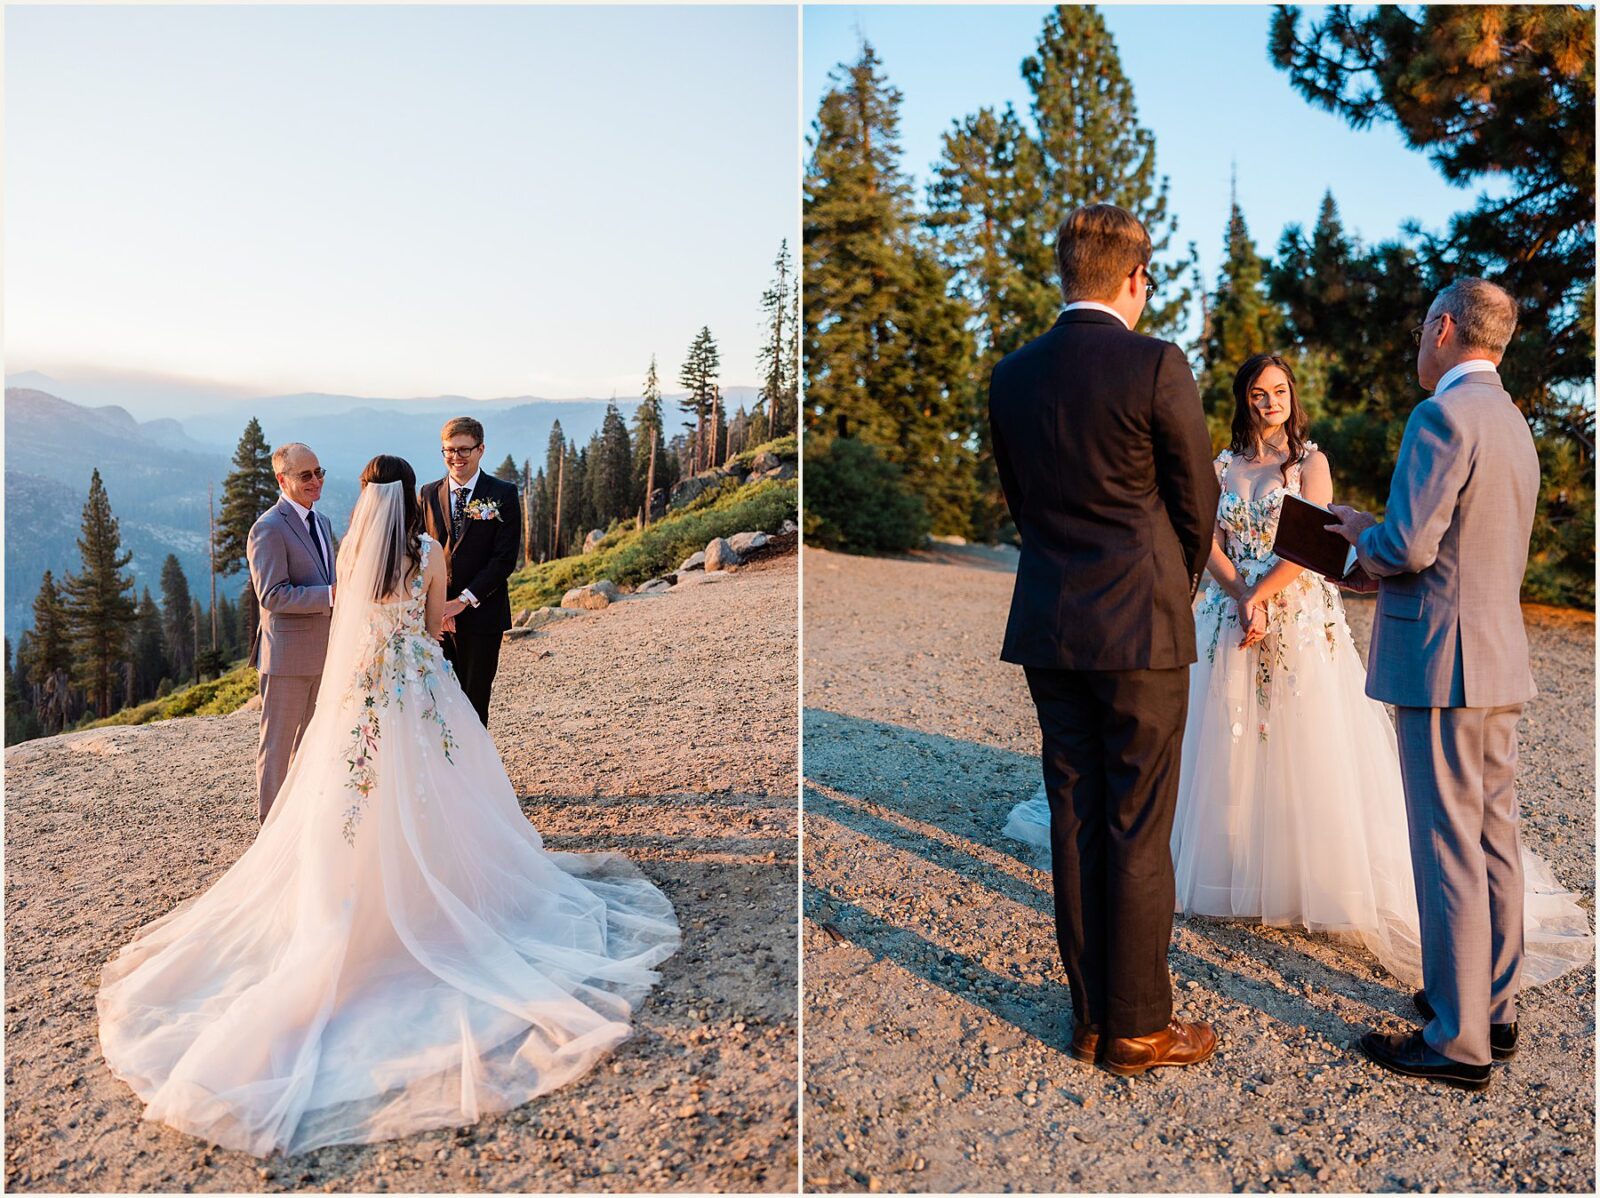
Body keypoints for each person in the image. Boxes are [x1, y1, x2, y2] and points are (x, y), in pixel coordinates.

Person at [98, 455, 679, 1155]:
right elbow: (434, 623)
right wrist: (442, 616)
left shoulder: (351, 553)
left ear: (370, 503)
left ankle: (357, 902)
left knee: (351, 797)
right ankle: (443, 895)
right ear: (411, 497)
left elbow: (350, 624)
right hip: (421, 690)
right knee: (446, 786)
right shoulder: (429, 551)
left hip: (363, 698)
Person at [1327, 278, 1590, 1091]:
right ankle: (1492, 1007)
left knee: (1446, 846)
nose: (1418, 343)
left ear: (1443, 328)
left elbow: (1407, 547)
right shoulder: (1514, 424)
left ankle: (1456, 1039)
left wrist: (1359, 535)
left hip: (1441, 662)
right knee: (1491, 841)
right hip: (1499, 662)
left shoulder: (1440, 415)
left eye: (1420, 328)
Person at [988, 203, 1221, 1077]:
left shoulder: (1011, 376)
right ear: (1135, 279)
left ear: (1066, 275)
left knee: (1075, 813)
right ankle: (1138, 1027)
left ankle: (1089, 1017)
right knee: (1138, 824)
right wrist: (1173, 581)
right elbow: (1194, 502)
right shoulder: (1156, 362)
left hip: (1052, 624)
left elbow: (1022, 501)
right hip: (1141, 626)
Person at [247, 442, 336, 823]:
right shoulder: (267, 528)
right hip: (286, 659)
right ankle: (270, 833)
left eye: (319, 472)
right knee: (278, 748)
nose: (316, 481)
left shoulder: (323, 522)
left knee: (315, 744)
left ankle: (303, 823)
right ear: (283, 480)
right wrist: (332, 594)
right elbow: (272, 595)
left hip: (328, 654)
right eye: (306, 475)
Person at [420, 417, 522, 726]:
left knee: (475, 703)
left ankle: (476, 773)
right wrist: (436, 609)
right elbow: (422, 554)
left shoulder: (502, 494)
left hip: (482, 617)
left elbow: (504, 559)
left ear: (481, 450)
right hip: (437, 621)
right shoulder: (427, 493)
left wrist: (461, 602)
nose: (456, 458)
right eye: (449, 450)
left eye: (464, 450)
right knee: (438, 703)